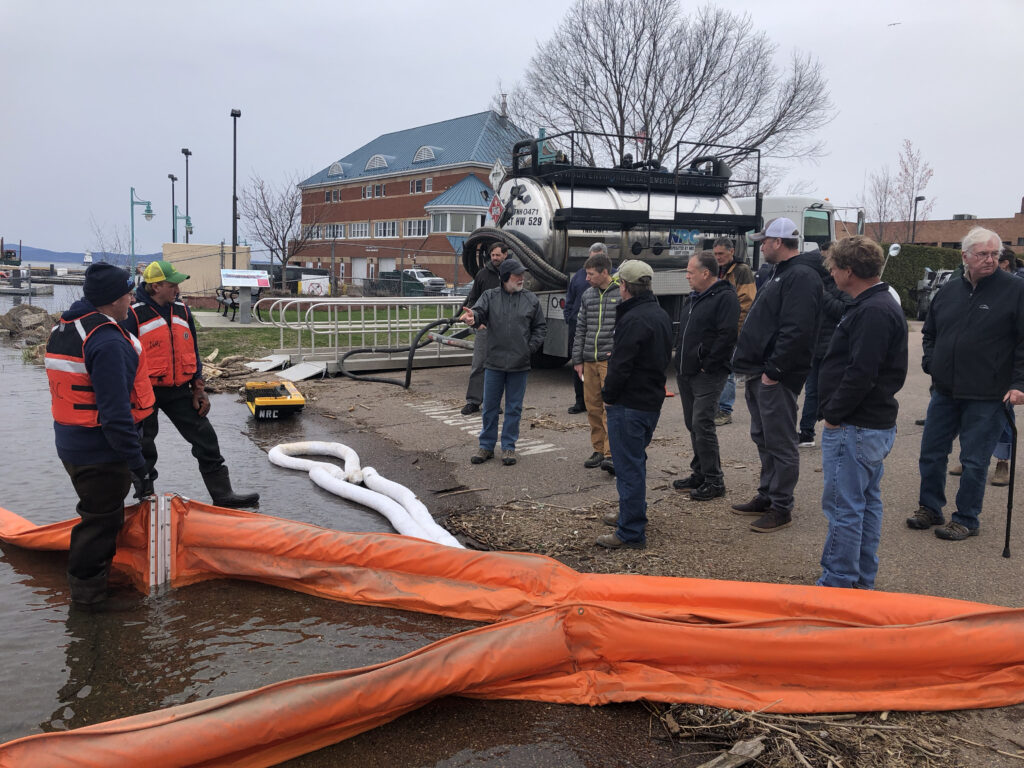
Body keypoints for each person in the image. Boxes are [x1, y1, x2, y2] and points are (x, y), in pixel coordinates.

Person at [45, 263, 155, 610]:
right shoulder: (106, 341)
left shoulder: (66, 327)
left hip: (72, 443)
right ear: (112, 299)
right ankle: (89, 599)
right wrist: (138, 465)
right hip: (99, 450)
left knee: (97, 514)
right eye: (127, 293)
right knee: (100, 521)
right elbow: (115, 414)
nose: (131, 299)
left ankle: (94, 584)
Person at [907, 227, 1024, 540]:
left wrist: (1019, 383)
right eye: (982, 254)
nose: (989, 260)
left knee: (973, 460)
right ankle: (930, 508)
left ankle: (966, 519)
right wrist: (931, 362)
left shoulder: (1014, 290)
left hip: (988, 394)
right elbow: (929, 332)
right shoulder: (949, 290)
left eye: (993, 254)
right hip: (945, 391)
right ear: (965, 257)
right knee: (931, 453)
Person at [121, 261, 259, 508]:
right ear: (155, 286)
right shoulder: (132, 314)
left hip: (179, 390)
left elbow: (192, 351)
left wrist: (199, 388)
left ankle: (223, 495)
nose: (177, 288)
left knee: (205, 438)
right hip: (145, 392)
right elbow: (123, 356)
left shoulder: (182, 310)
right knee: (143, 447)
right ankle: (145, 500)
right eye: (172, 284)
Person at [815, 236, 908, 589]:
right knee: (865, 505)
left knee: (845, 508)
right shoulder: (874, 304)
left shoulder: (873, 310)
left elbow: (861, 372)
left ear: (848, 271)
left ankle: (839, 584)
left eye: (834, 268)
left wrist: (834, 414)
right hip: (868, 424)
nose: (832, 274)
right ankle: (859, 581)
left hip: (856, 425)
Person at [730, 218, 823, 532]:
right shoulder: (778, 273)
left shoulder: (802, 276)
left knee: (781, 442)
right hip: (759, 370)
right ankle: (767, 495)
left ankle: (781, 507)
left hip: (775, 375)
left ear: (779, 242)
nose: (761, 246)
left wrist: (775, 371)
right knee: (763, 437)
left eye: (765, 241)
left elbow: (797, 329)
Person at [595, 260, 673, 549]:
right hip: (649, 400)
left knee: (628, 467)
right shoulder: (658, 314)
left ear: (625, 287)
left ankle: (630, 531)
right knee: (634, 462)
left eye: (620, 285)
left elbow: (623, 366)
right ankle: (631, 514)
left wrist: (608, 394)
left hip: (629, 403)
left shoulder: (633, 319)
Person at [459, 258, 546, 466]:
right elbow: (478, 313)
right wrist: (473, 319)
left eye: (522, 275)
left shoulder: (531, 300)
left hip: (519, 364)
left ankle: (508, 447)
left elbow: (540, 328)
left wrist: (529, 348)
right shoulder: (490, 296)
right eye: (517, 275)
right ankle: (486, 446)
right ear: (505, 277)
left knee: (514, 408)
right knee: (489, 406)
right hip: (494, 363)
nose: (521, 279)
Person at [673, 251, 739, 500]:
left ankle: (714, 480)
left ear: (706, 273)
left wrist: (708, 364)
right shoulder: (693, 298)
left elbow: (727, 335)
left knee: (703, 424)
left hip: (707, 374)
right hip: (686, 372)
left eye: (690, 271)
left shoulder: (725, 297)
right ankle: (699, 472)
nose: (687, 276)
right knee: (693, 424)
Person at [798, 240, 855, 447]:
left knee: (834, 391)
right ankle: (806, 432)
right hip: (816, 347)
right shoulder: (816, 285)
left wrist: (823, 296)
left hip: (834, 349)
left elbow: (845, 310)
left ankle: (837, 429)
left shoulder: (842, 288)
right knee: (812, 391)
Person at [571, 245, 621, 472]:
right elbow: (580, 327)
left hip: (608, 360)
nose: (587, 278)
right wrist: (578, 359)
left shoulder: (620, 293)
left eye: (591, 274)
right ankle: (598, 449)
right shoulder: (588, 295)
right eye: (586, 274)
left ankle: (611, 453)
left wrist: (616, 353)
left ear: (603, 272)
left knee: (610, 408)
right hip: (588, 360)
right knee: (593, 407)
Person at [711, 237, 755, 426]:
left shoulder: (741, 270)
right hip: (720, 329)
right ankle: (718, 407)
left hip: (733, 330)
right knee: (720, 368)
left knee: (728, 370)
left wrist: (735, 329)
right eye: (715, 254)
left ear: (731, 251)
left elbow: (746, 302)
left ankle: (725, 410)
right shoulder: (719, 270)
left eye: (721, 253)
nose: (718, 257)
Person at [460, 242, 507, 415]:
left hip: (503, 330)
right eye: (493, 255)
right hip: (484, 327)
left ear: (505, 255)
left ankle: (493, 402)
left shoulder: (510, 275)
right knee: (478, 364)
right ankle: (473, 401)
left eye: (498, 255)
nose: (495, 258)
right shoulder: (482, 275)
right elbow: (473, 300)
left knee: (499, 366)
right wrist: (476, 321)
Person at [563, 264, 589, 415]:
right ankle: (580, 401)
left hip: (594, 330)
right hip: (576, 324)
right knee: (577, 362)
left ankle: (594, 401)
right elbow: (570, 297)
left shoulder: (614, 276)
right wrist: (569, 317)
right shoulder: (579, 275)